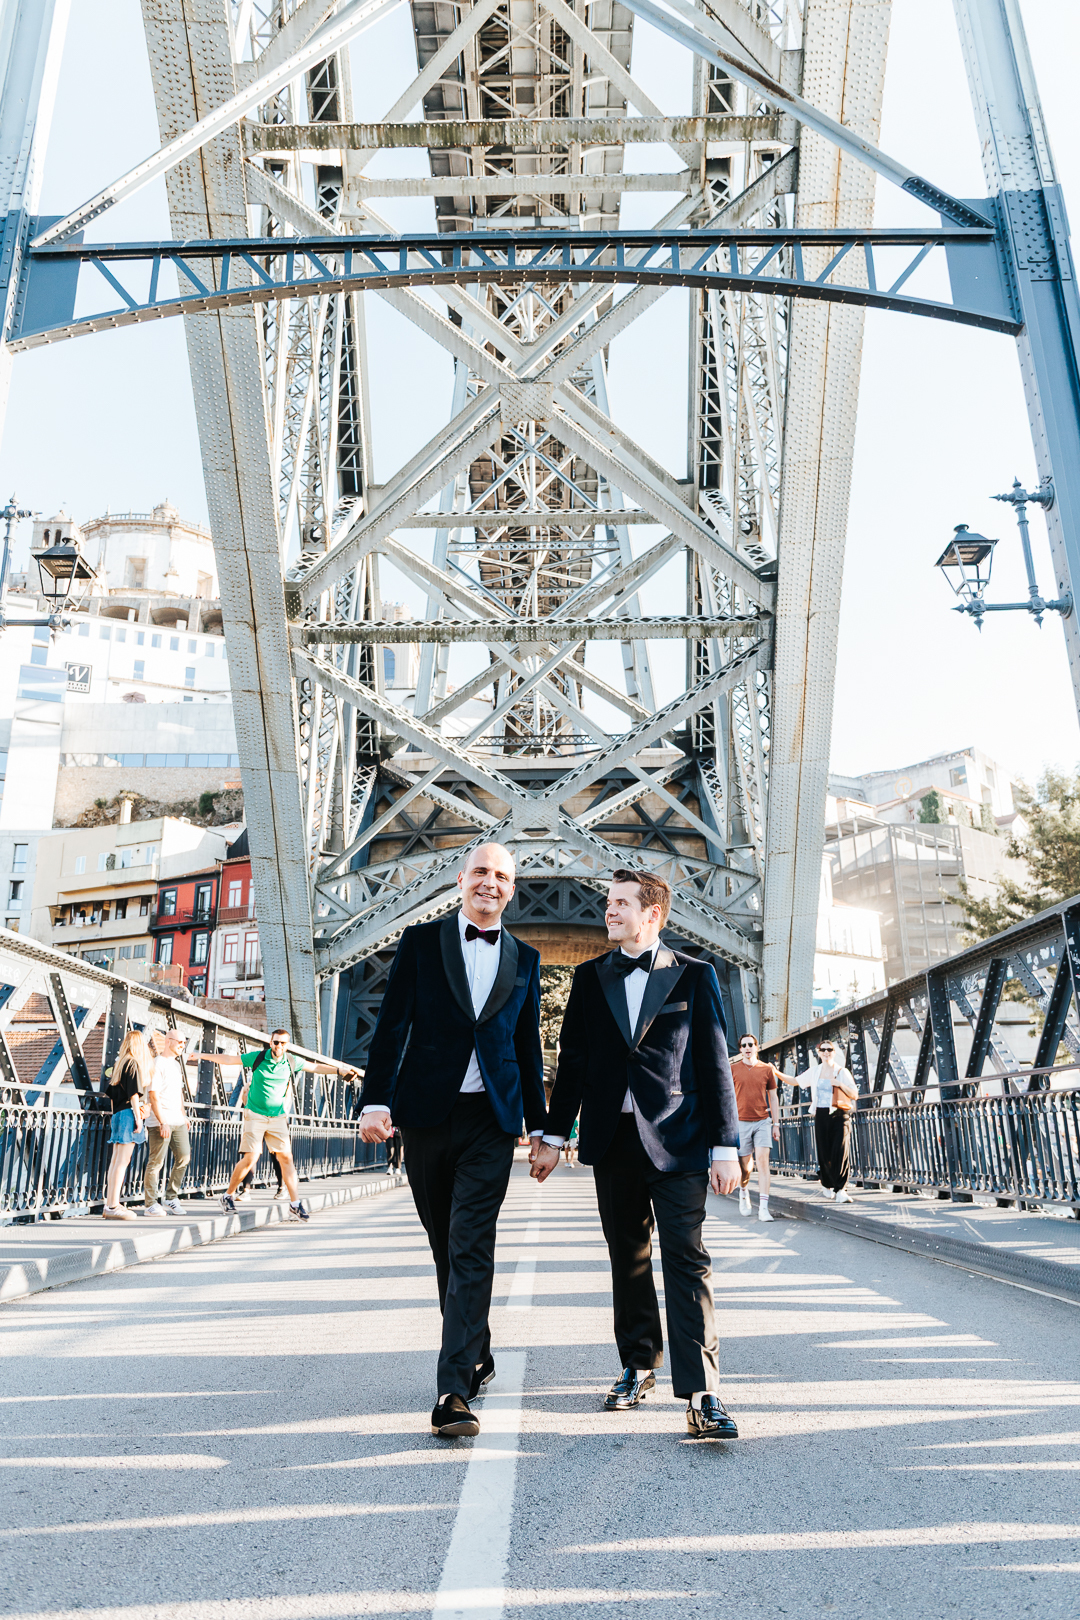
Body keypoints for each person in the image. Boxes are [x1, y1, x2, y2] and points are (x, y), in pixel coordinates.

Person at [532, 867, 741, 1441]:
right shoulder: (591, 976)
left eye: (621, 903)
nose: (609, 911)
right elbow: (571, 1064)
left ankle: (704, 1393)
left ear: (653, 914)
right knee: (628, 1258)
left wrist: (727, 1145)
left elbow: (715, 1062)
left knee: (686, 1258)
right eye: (608, 903)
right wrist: (552, 1137)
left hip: (681, 1141)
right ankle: (638, 1364)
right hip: (612, 1139)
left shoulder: (695, 976)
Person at [359, 843, 546, 1441]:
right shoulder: (420, 942)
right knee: (444, 1243)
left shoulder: (525, 956)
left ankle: (453, 1390)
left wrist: (541, 1128)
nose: (491, 884)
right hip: (425, 1116)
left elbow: (526, 1048)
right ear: (461, 880)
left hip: (491, 1123)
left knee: (471, 1245)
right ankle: (476, 1345)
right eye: (482, 873)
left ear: (512, 891)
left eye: (503, 877)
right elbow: (392, 1025)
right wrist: (376, 1099)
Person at [201, 1030, 358, 1223]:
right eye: (276, 1042)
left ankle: (295, 1204)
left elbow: (315, 1067)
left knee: (286, 1158)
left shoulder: (291, 1061)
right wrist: (201, 1055)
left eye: (283, 1043)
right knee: (251, 1158)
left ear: (287, 1045)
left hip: (277, 1117)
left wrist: (338, 1070)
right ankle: (228, 1195)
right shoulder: (258, 1057)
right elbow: (229, 1059)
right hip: (255, 1115)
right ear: (270, 1042)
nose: (279, 1046)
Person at [731, 1034, 785, 1222]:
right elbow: (726, 1097)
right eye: (744, 1045)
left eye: (751, 1045)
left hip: (763, 1121)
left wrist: (776, 1124)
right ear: (740, 1049)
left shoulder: (766, 1069)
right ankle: (743, 1190)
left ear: (756, 1047)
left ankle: (763, 1208)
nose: (747, 1048)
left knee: (763, 1161)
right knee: (745, 1166)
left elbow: (774, 1097)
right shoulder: (733, 1069)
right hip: (741, 1122)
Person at [102, 1030, 153, 1220]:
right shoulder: (133, 1063)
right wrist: (139, 1120)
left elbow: (113, 1095)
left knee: (116, 1161)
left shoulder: (121, 1063)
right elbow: (134, 1095)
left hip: (118, 1114)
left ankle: (111, 1203)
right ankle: (113, 1206)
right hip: (128, 1115)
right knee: (122, 1162)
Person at [143, 1029, 192, 1216]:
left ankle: (171, 1197)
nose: (183, 1045)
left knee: (184, 1156)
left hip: (177, 1120)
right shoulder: (157, 1064)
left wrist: (183, 1114)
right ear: (168, 1041)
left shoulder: (176, 1066)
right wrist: (162, 1121)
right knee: (156, 1162)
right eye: (180, 1042)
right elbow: (153, 1095)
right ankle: (150, 1203)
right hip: (160, 1121)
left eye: (184, 1042)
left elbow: (178, 1093)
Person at [807, 1039, 858, 1203]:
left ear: (834, 1052)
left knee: (841, 1150)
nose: (826, 1052)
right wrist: (774, 1071)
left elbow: (855, 1094)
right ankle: (826, 1181)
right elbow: (796, 1081)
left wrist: (839, 1084)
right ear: (819, 1052)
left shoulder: (843, 1072)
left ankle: (841, 1189)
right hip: (821, 1113)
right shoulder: (815, 1071)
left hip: (840, 1113)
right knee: (824, 1150)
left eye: (829, 1049)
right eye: (823, 1049)